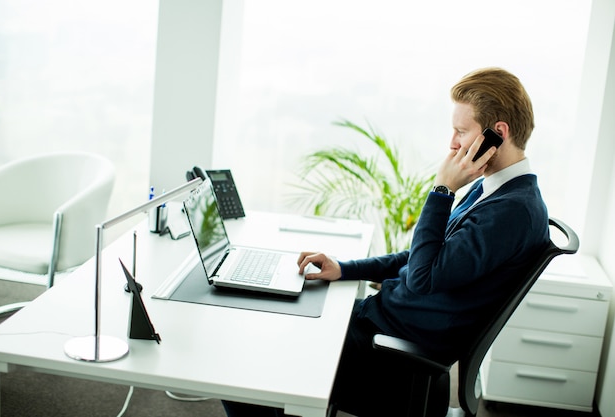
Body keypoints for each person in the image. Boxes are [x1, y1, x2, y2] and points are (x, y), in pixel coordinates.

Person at [221, 67, 550, 416]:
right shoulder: (495, 190)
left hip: (393, 357)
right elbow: (420, 256)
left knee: (242, 363)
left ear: (497, 134)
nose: (452, 143)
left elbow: (422, 276)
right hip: (382, 326)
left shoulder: (512, 212)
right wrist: (344, 269)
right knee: (274, 321)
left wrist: (442, 191)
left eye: (460, 131)